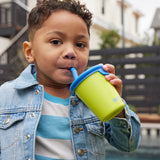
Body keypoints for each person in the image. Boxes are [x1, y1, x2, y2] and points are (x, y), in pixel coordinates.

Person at [0, 0, 141, 159]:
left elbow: (128, 145)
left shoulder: (93, 99)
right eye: (56, 42)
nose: (70, 52)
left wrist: (117, 107)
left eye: (80, 44)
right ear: (30, 52)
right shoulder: (5, 96)